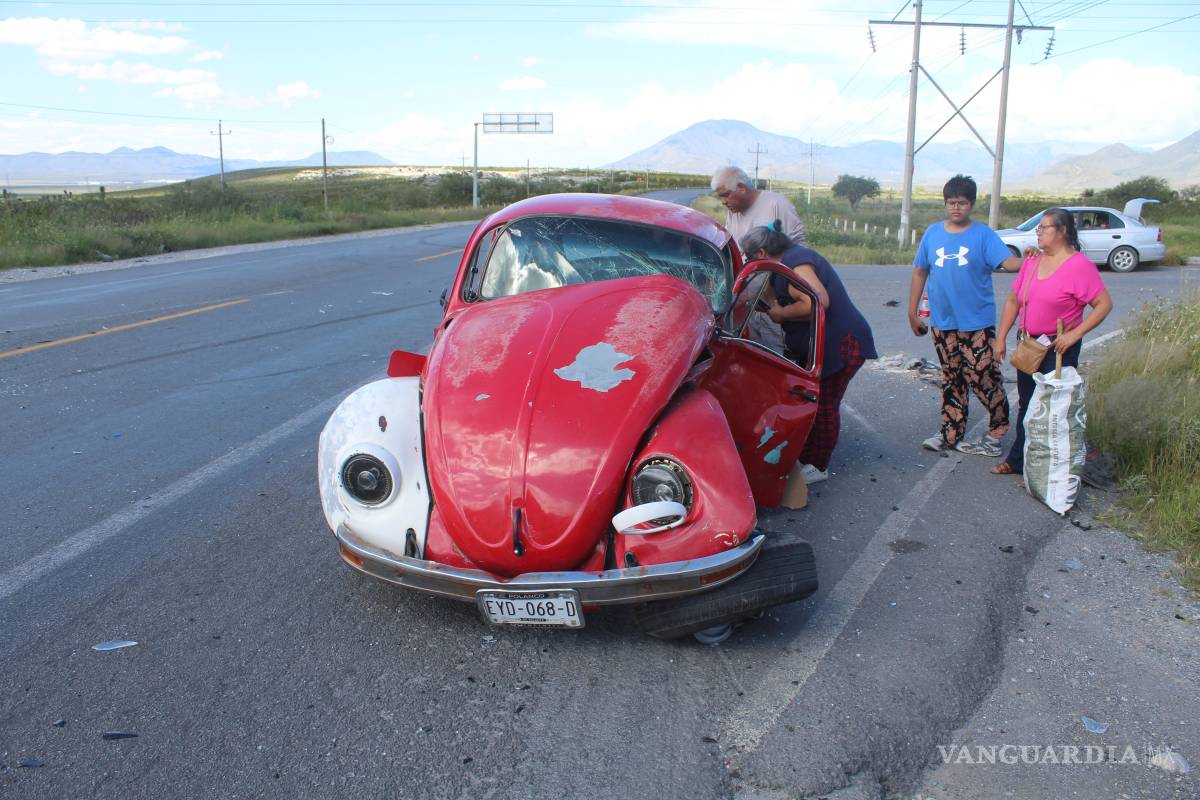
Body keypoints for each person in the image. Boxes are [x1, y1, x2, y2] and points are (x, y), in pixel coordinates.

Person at [740, 223, 877, 484]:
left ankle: (818, 465)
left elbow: (818, 300)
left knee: (825, 404)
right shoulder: (785, 264)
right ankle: (806, 456)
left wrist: (781, 314)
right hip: (832, 343)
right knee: (813, 402)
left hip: (842, 343)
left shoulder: (796, 263)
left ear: (760, 252)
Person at [990, 208, 1113, 475]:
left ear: (1063, 231)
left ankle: (1048, 471)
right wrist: (1000, 338)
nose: (1039, 233)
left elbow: (1103, 305)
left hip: (1058, 348)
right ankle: (1018, 460)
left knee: (1053, 410)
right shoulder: (1033, 261)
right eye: (1039, 228)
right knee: (1028, 405)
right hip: (1030, 346)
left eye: (1044, 228)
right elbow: (1014, 300)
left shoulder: (1079, 266)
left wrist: (1074, 334)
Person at [909, 174, 1023, 455]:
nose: (956, 208)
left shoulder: (983, 235)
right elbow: (920, 270)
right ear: (945, 204)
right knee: (952, 378)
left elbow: (1008, 262)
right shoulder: (933, 234)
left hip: (977, 323)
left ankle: (997, 430)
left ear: (971, 204)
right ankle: (950, 432)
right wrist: (912, 312)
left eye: (962, 203)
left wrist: (1032, 259)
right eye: (951, 202)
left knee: (983, 376)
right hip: (943, 323)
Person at [712, 166, 805, 249]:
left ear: (741, 188)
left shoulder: (777, 204)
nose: (723, 202)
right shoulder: (734, 211)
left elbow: (797, 245)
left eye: (726, 195)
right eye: (720, 197)